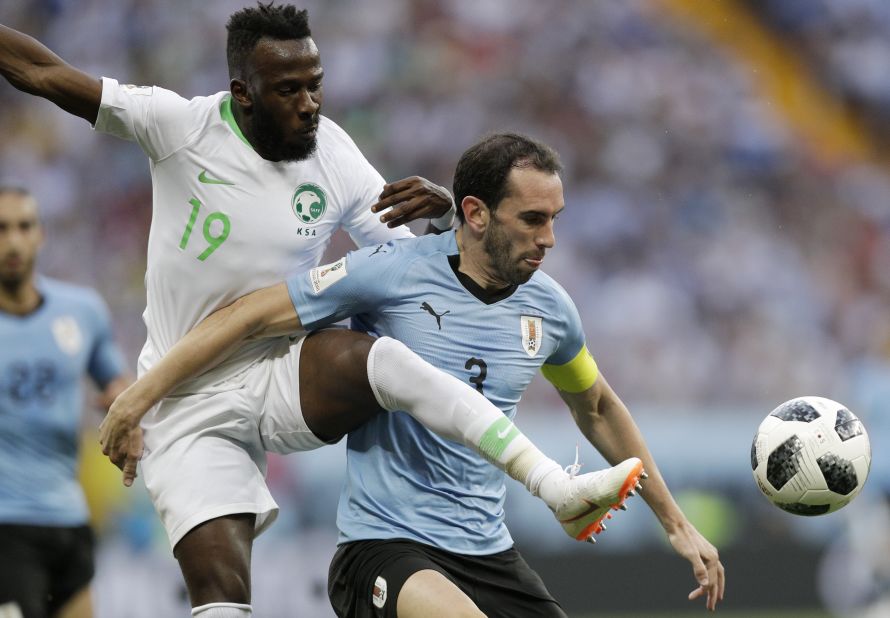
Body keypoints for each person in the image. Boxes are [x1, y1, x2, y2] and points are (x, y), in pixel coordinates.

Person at [1, 6, 636, 617]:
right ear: (243, 93)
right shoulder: (179, 127)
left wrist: (454, 210)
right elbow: (46, 75)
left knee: (382, 358)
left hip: (278, 371)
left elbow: (412, 264)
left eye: (316, 84)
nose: (309, 103)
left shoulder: (331, 154)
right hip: (182, 395)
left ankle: (556, 487)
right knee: (222, 593)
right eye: (288, 90)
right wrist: (137, 398)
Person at [100, 133, 726, 617]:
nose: (550, 238)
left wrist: (677, 523)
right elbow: (248, 316)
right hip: (385, 547)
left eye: (555, 218)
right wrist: (139, 398)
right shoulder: (391, 272)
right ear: (475, 214)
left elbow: (598, 408)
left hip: (489, 550)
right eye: (533, 220)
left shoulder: (550, 309)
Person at [0, 186, 131, 618]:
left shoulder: (81, 311)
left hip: (68, 519)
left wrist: (121, 405)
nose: (14, 241)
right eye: (1, 230)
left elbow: (115, 380)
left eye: (24, 226)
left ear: (41, 235)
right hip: (6, 524)